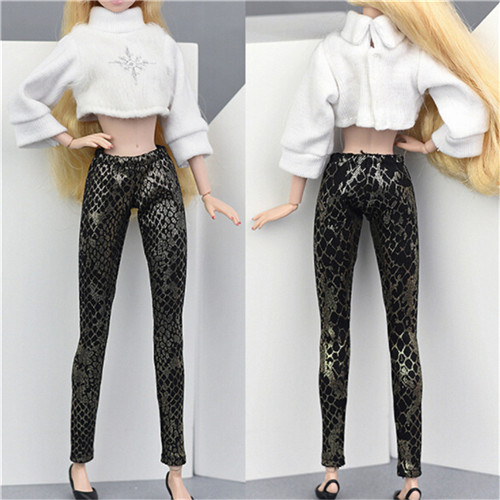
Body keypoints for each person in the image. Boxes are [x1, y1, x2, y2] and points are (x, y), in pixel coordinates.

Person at [251, 2, 499, 499]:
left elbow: (309, 128)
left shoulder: (335, 50)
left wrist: (293, 198)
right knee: (400, 333)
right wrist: (433, 143)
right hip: (390, 180)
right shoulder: (411, 53)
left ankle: (334, 473)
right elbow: (472, 109)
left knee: (336, 331)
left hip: (341, 180)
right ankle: (408, 479)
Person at [8, 1, 240, 499]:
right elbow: (26, 98)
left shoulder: (161, 44)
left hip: (158, 175)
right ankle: (78, 462)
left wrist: (206, 191)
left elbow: (184, 120)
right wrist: (68, 138)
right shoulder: (81, 43)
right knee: (93, 326)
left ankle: (175, 469)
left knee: (170, 328)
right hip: (107, 177)